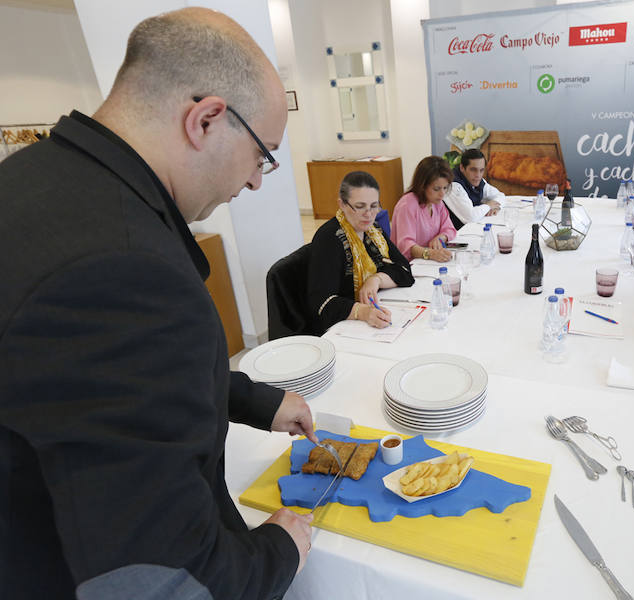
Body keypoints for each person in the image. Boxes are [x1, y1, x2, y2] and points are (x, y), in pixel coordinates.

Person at [0, 9, 320, 599]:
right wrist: (278, 549)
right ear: (205, 120)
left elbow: (93, 385)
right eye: (262, 155)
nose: (255, 183)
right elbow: (164, 574)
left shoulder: (34, 180)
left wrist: (254, 399)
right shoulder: (123, 270)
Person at [307, 171, 415, 333]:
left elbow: (405, 270)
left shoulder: (373, 231)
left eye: (374, 206)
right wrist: (362, 312)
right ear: (342, 204)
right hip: (341, 328)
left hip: (370, 318)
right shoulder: (329, 239)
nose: (369, 214)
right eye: (359, 206)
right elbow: (322, 303)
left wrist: (376, 279)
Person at [391, 156, 457, 262]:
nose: (442, 194)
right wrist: (430, 254)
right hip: (409, 266)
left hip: (426, 262)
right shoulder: (407, 204)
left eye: (445, 188)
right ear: (422, 186)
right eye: (436, 189)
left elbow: (450, 229)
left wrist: (440, 238)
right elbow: (405, 245)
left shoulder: (437, 203)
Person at [443, 148, 505, 229]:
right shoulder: (453, 185)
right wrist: (488, 206)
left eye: (481, 170)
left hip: (471, 229)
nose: (478, 175)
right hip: (454, 235)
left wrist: (496, 206)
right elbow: (470, 217)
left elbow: (500, 195)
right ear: (462, 168)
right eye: (473, 170)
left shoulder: (477, 180)